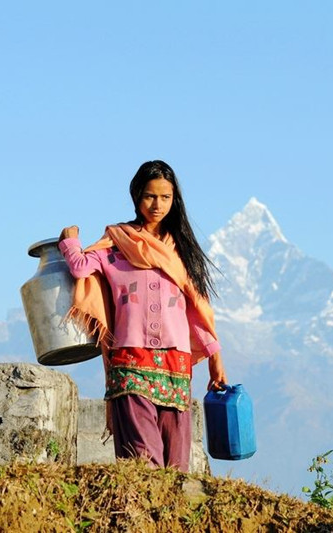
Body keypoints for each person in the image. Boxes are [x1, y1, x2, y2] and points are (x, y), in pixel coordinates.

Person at [58, 160, 227, 472]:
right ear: (136, 196)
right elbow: (81, 267)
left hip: (176, 364)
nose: (157, 205)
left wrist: (215, 356)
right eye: (150, 196)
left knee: (176, 465)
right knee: (142, 461)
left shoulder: (180, 251)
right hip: (130, 359)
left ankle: (168, 521)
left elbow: (195, 310)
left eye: (165, 197)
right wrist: (70, 241)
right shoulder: (117, 243)